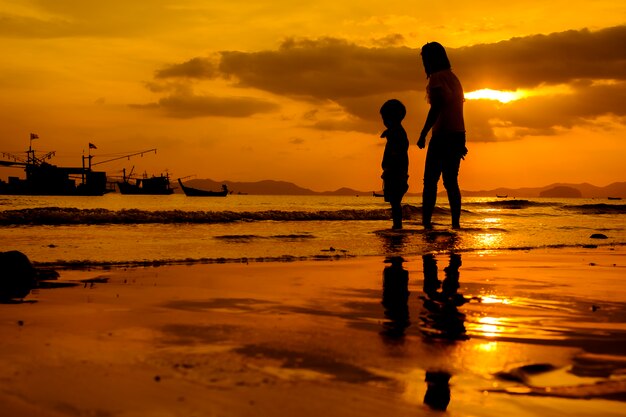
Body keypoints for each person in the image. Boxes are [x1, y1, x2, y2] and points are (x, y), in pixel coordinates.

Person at [417, 42, 467, 229]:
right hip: (457, 133)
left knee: (430, 181)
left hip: (443, 134)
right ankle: (455, 224)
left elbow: (436, 108)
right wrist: (463, 139)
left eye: (424, 59)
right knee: (451, 181)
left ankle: (426, 224)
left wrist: (423, 133)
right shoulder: (454, 78)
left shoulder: (437, 79)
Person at [379, 99, 409, 229]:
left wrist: (392, 162)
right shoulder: (395, 131)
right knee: (394, 201)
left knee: (395, 202)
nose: (384, 122)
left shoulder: (398, 133)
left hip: (396, 172)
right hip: (394, 172)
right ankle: (396, 225)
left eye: (385, 118)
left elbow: (402, 148)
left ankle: (397, 225)